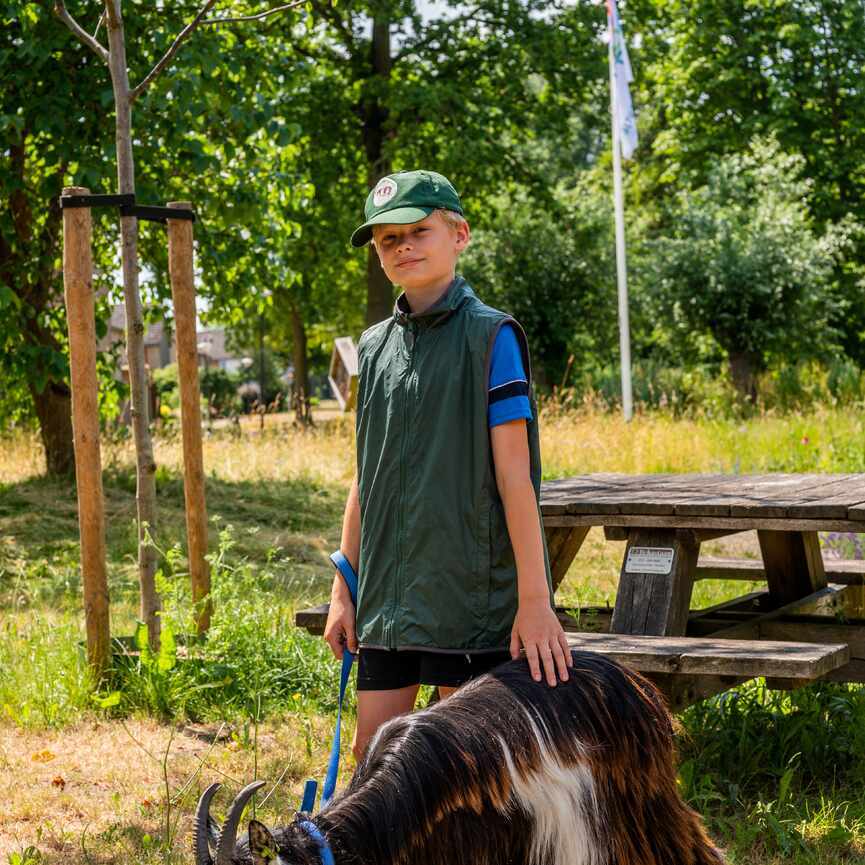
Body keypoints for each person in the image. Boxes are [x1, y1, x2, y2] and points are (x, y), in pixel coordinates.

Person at [323, 169, 571, 762]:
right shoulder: (375, 348)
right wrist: (344, 583)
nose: (403, 245)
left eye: (418, 230)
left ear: (458, 235)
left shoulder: (493, 338)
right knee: (373, 757)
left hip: (468, 600)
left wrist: (535, 602)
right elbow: (367, 476)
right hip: (386, 600)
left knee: (466, 767)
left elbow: (517, 481)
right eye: (387, 239)